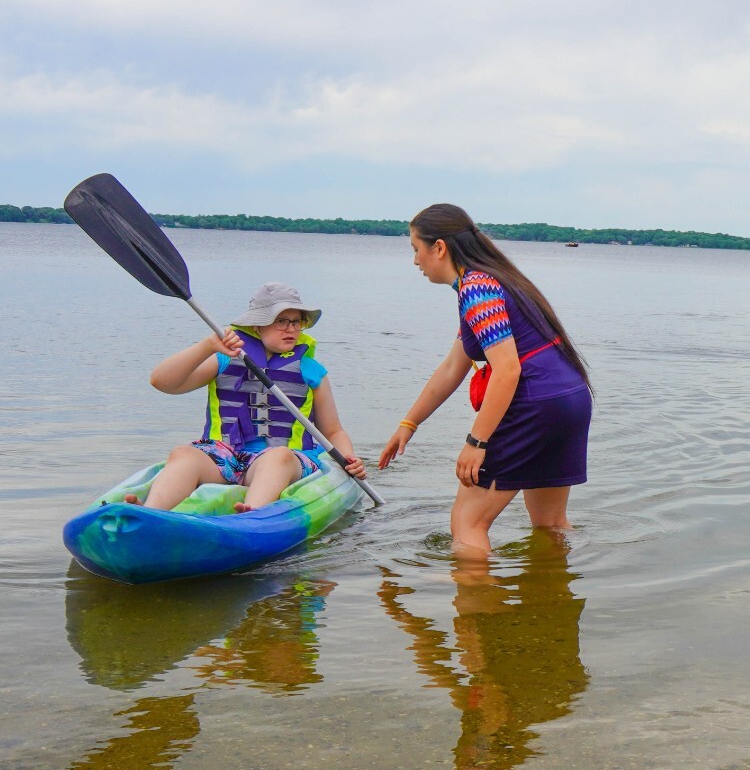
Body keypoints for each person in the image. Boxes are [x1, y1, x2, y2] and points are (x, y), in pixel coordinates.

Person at [378, 204, 593, 556]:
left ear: (440, 248)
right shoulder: (498, 280)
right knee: (550, 523)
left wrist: (476, 443)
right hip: (571, 399)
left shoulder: (476, 289)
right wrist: (409, 423)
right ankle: (552, 602)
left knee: (467, 523)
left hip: (535, 403)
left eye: (416, 249)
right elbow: (453, 367)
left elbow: (508, 370)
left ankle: (475, 609)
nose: (415, 260)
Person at [129, 282, 365, 513]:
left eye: (296, 322)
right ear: (257, 326)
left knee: (277, 457)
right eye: (281, 321)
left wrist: (348, 458)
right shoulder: (224, 359)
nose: (291, 329)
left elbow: (333, 431)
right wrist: (208, 346)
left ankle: (252, 514)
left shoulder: (312, 370)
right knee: (184, 454)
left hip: (288, 461)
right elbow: (162, 382)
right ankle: (150, 513)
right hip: (226, 456)